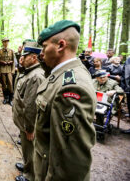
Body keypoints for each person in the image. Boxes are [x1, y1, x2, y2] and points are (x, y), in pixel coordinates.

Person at [34, 20, 96, 180]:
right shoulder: (65, 73)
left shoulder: (70, 88)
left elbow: (69, 165)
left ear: (60, 46)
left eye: (45, 46)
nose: (42, 53)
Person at [12, 41, 45, 181]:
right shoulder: (30, 71)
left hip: (28, 125)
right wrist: (21, 64)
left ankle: (29, 176)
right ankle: (27, 165)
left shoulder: (35, 76)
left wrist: (29, 128)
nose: (21, 58)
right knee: (26, 149)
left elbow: (31, 106)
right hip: (24, 122)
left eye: (24, 56)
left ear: (33, 57)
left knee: (30, 149)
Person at [0, 38, 15, 106]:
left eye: (7, 42)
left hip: (9, 70)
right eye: (4, 42)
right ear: (2, 43)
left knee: (10, 84)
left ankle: (10, 99)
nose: (5, 43)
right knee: (4, 85)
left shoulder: (11, 51)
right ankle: (5, 98)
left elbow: (13, 62)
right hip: (2, 70)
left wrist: (13, 71)